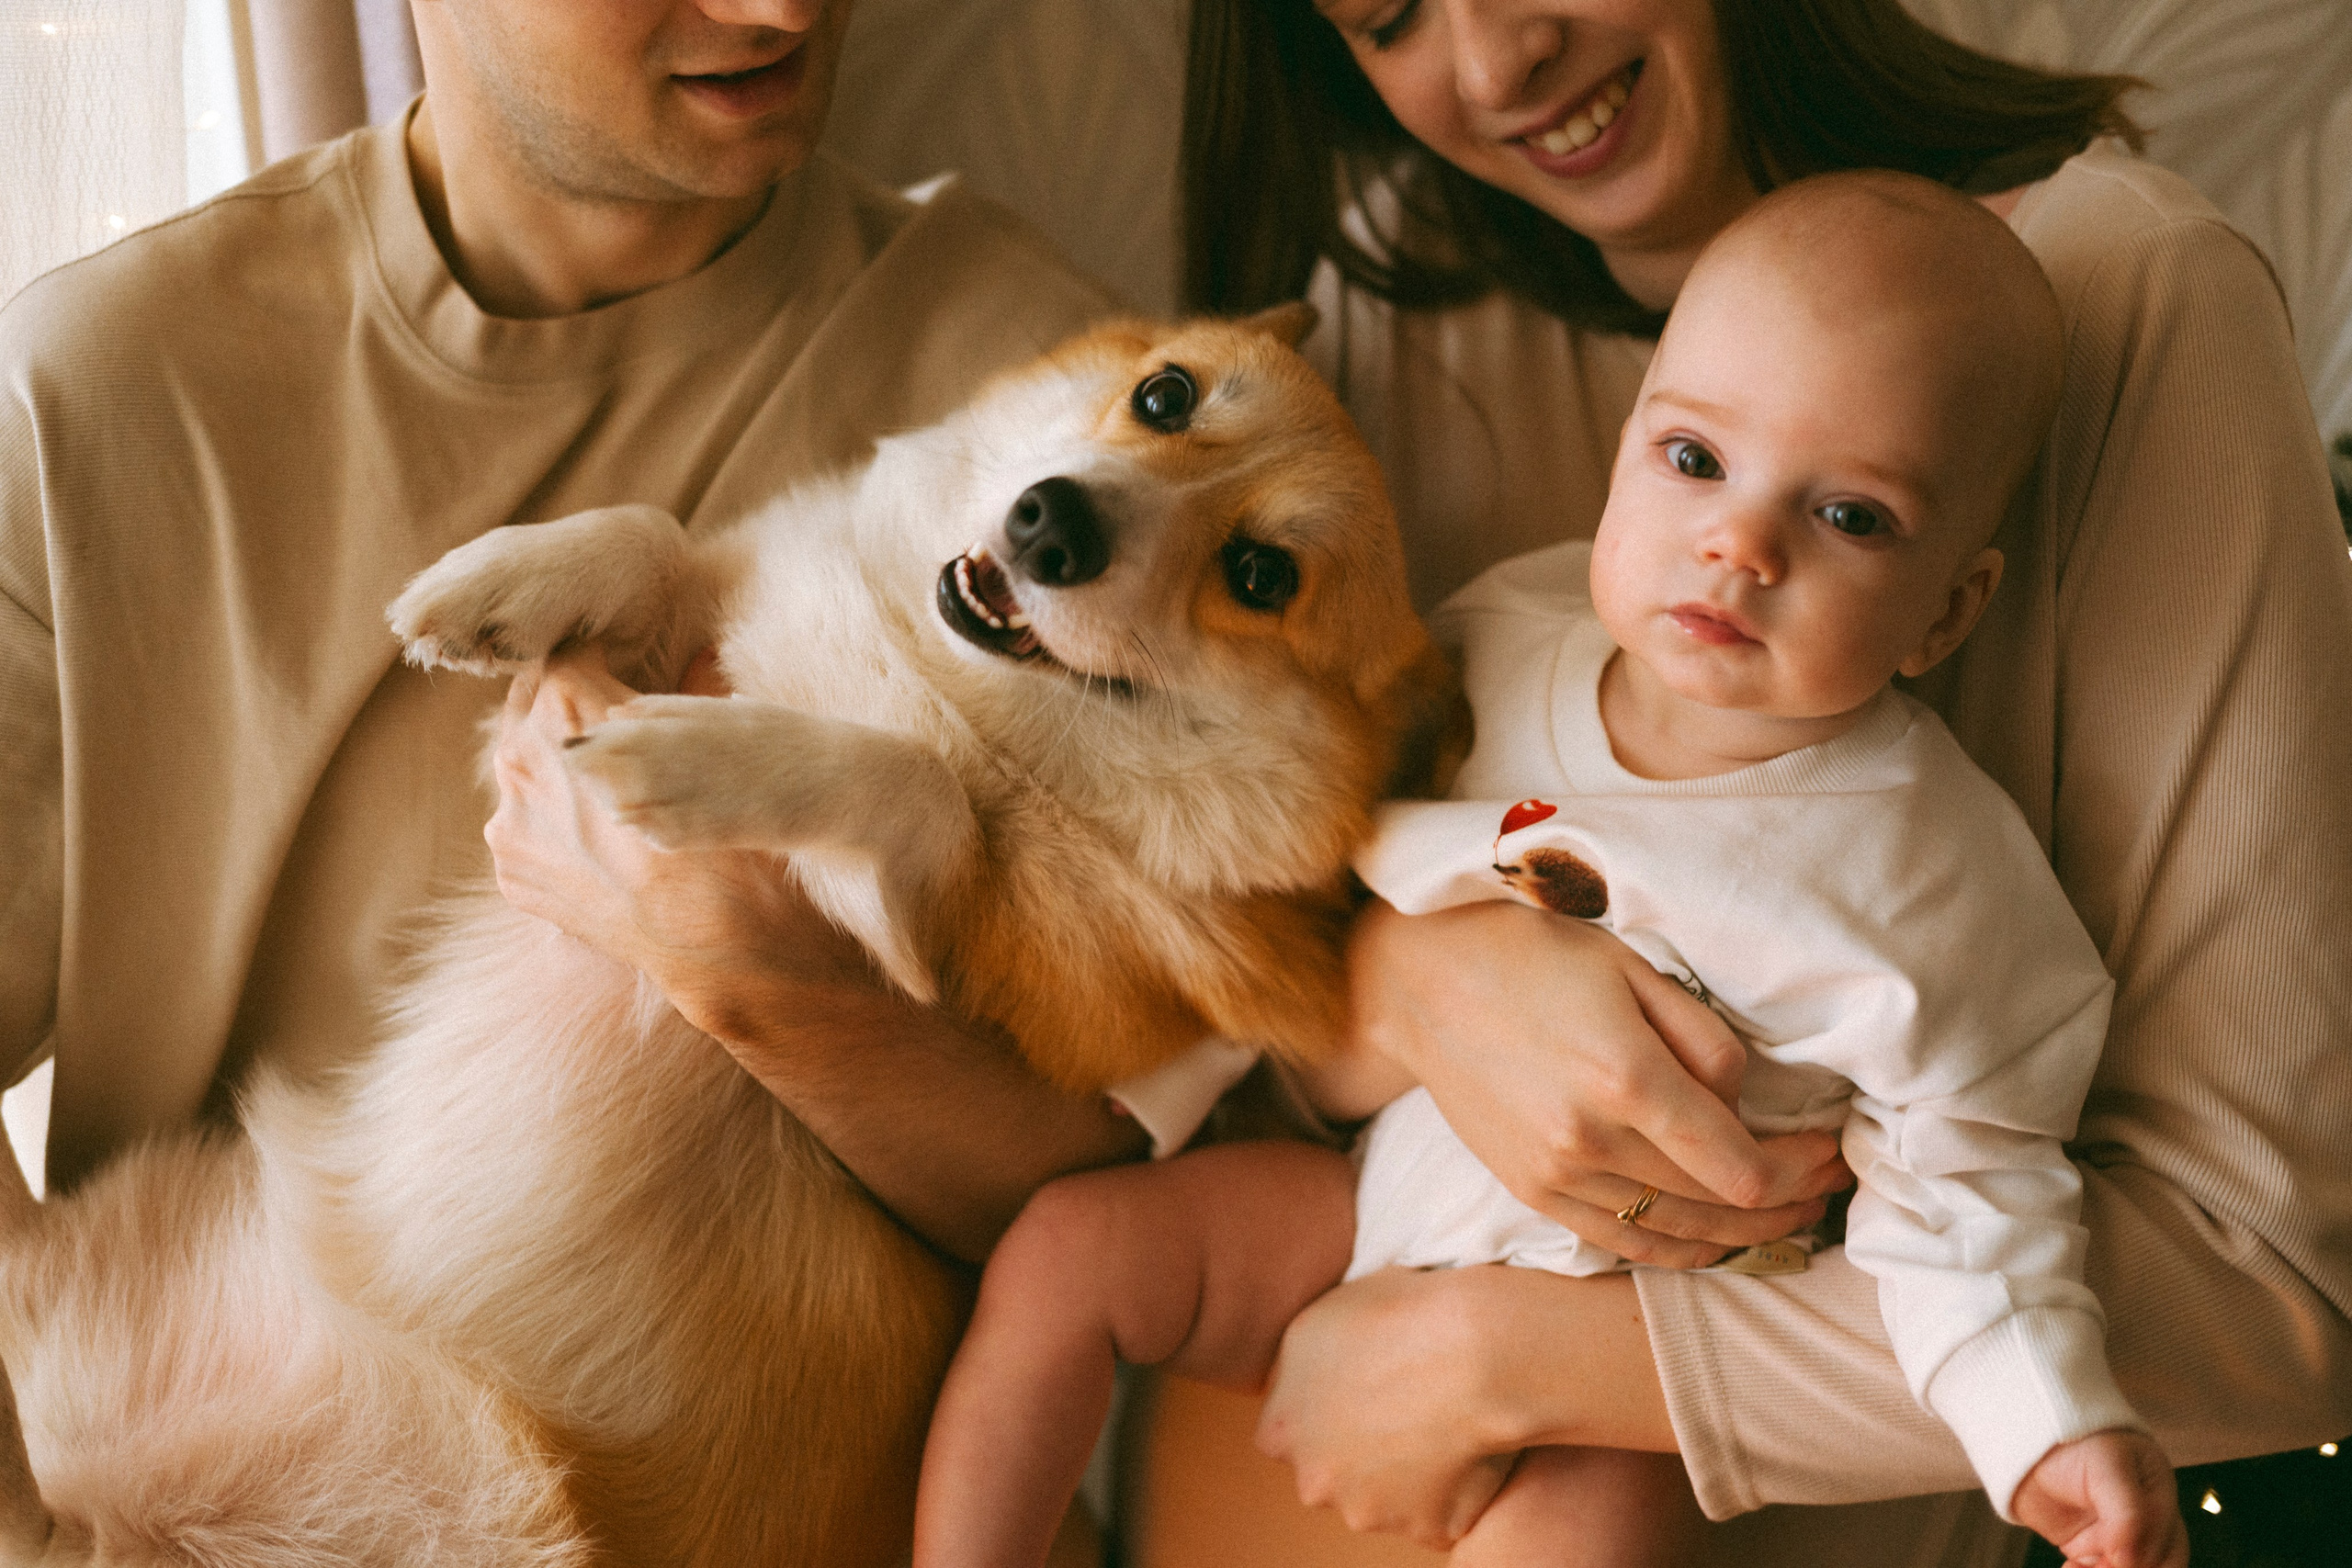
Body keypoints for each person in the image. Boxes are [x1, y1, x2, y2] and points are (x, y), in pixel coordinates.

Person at [1133, 1, 2352, 1563]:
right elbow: (1251, 983)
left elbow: (2269, 1286)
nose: (1499, 65)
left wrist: (1496, 1364)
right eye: (1386, 17)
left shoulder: (2118, 291)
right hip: (1285, 1417)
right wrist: (1414, 988)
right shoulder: (1400, 281)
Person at [917, 172, 2187, 1568]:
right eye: (1696, 461)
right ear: (1628, 449)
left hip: (1622, 1350)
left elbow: (1978, 1204)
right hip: (1361, 1204)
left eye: (1851, 520)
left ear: (1948, 609)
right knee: (1068, 1251)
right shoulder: (1498, 641)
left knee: (1590, 1543)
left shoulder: (1937, 884)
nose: (1741, 544)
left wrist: (2051, 1437)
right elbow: (1309, 894)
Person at [0, 0, 1149, 1278]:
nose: (782, 8)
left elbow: (1169, 1251)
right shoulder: (102, 396)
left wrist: (779, 988)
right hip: (219, 1447)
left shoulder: (1066, 425)